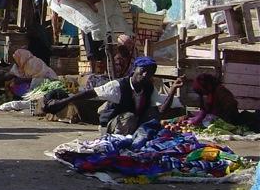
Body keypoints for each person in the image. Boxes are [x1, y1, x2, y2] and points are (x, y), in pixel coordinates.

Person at [43, 57, 182, 135]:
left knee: (152, 115)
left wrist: (172, 90)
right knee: (130, 117)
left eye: (150, 73)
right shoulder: (118, 86)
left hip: (133, 124)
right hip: (112, 124)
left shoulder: (148, 88)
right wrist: (63, 102)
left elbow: (161, 110)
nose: (145, 75)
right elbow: (91, 93)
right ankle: (118, 138)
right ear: (135, 70)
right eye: (143, 71)